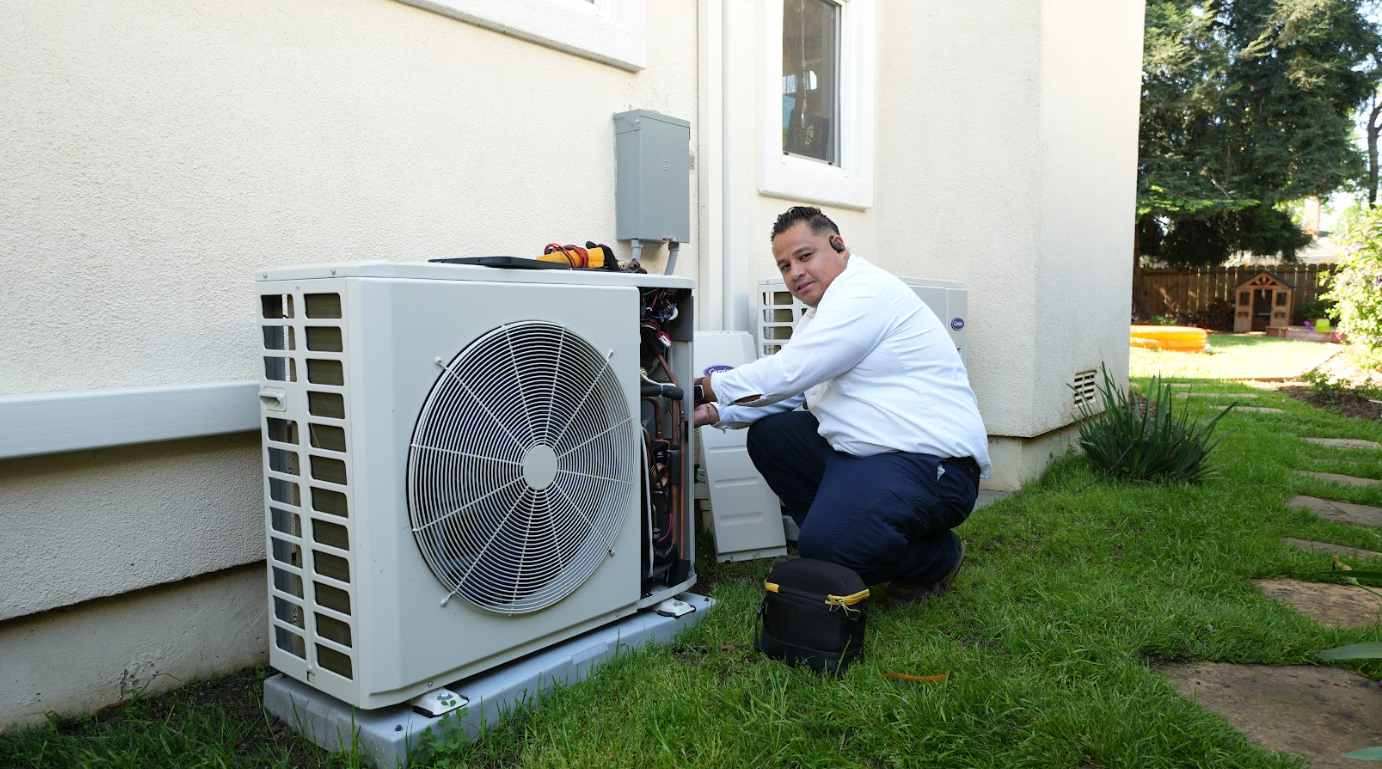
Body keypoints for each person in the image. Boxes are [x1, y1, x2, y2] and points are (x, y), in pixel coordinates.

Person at [693, 206, 992, 602]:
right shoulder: (818, 315)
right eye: (784, 265)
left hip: (931, 464)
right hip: (868, 456)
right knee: (773, 436)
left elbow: (790, 371)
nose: (794, 273)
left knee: (826, 548)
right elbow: (796, 391)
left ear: (838, 245)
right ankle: (838, 540)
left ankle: (935, 556)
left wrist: (703, 388)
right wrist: (716, 413)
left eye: (804, 256)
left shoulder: (865, 293)